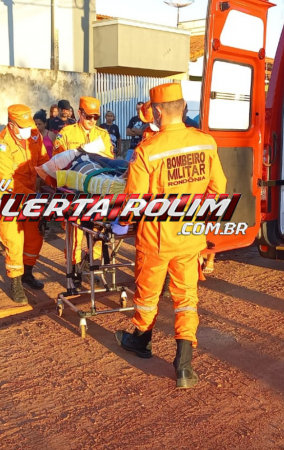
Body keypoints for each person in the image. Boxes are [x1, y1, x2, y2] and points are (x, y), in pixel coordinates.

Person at [114, 83, 227, 389]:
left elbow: (133, 200)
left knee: (149, 295)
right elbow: (218, 189)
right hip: (190, 235)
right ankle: (185, 365)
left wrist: (122, 224)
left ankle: (141, 341)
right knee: (186, 297)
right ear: (184, 107)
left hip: (157, 237)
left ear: (158, 111)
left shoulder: (147, 150)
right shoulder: (205, 142)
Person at [0, 105, 51, 303]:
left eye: (29, 125)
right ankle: (15, 283)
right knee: (14, 241)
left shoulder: (34, 135)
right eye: (22, 126)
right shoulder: (0, 145)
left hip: (31, 195)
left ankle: (27, 274)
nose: (27, 129)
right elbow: (8, 181)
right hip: (8, 198)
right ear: (11, 125)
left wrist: (56, 181)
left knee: (34, 238)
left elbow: (44, 163)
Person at [52, 97, 114, 271]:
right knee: (75, 232)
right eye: (88, 116)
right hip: (73, 191)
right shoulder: (65, 133)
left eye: (96, 117)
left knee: (97, 229)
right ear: (79, 113)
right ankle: (74, 271)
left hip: (96, 190)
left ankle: (91, 266)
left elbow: (110, 162)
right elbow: (57, 162)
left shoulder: (102, 134)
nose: (92, 121)